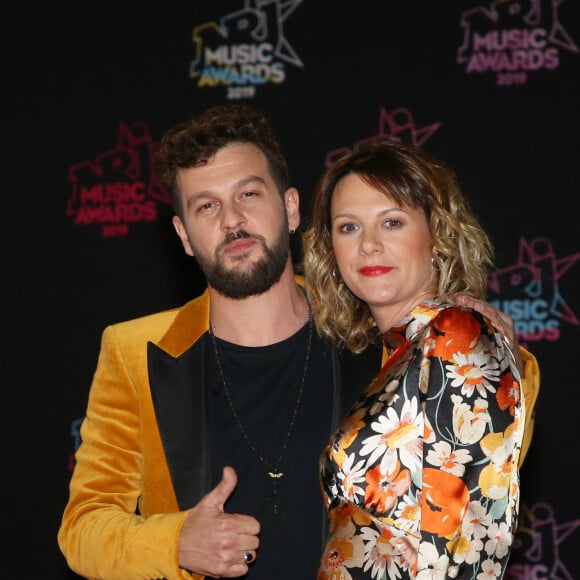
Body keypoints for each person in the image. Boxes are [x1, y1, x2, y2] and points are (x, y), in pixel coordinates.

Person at [58, 104, 539, 580]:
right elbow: (83, 528)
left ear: (290, 208)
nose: (231, 219)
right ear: (184, 235)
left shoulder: (370, 328)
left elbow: (485, 449)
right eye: (206, 206)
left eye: (248, 193)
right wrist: (176, 542)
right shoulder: (134, 351)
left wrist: (490, 342)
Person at [303, 138, 531, 579]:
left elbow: (468, 546)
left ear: (437, 233)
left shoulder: (456, 333)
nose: (368, 245)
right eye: (348, 226)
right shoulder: (398, 352)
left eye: (391, 222)